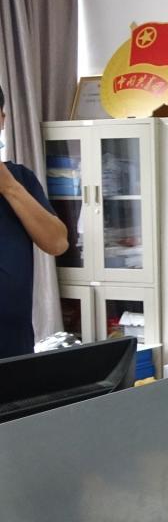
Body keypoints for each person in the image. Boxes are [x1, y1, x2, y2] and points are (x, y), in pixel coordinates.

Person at [0, 84, 69, 359]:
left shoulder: (20, 179)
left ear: (2, 120)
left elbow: (57, 243)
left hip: (14, 349)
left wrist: (9, 187)